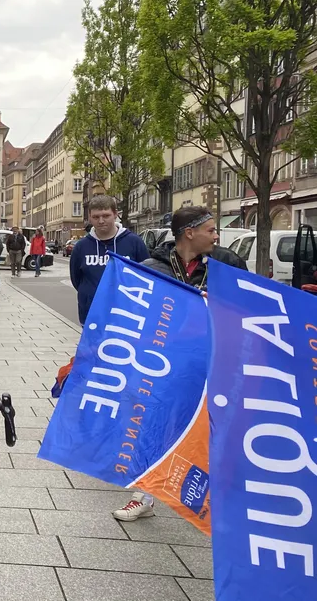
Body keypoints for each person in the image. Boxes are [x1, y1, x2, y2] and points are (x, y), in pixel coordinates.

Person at [106, 206, 247, 522]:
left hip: (213, 365)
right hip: (165, 365)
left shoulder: (228, 264)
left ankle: (224, 501)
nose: (216, 235)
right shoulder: (152, 267)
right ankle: (143, 496)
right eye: (210, 230)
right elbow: (133, 316)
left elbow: (247, 309)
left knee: (215, 431)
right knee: (153, 427)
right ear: (189, 233)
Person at [70, 195, 150, 325]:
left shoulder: (134, 242)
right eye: (96, 217)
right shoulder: (81, 247)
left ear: (115, 214)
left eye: (106, 216)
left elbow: (146, 277)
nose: (101, 221)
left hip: (127, 316)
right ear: (90, 217)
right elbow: (76, 279)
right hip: (92, 316)